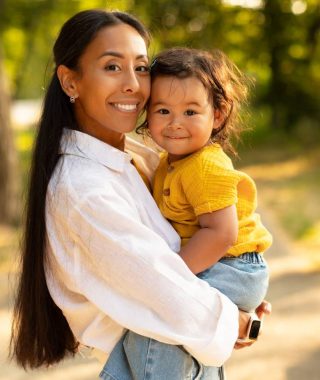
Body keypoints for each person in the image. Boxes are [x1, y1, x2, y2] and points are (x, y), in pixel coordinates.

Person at [10, 9, 270, 380]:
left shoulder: (139, 158)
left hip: (176, 345)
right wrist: (240, 322)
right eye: (112, 67)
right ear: (70, 82)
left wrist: (236, 294)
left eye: (141, 67)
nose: (133, 84)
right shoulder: (84, 188)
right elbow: (159, 286)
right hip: (160, 349)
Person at [139, 47, 273, 314]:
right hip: (216, 263)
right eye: (163, 111)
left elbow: (220, 233)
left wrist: (171, 276)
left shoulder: (204, 165)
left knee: (162, 313)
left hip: (233, 267)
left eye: (190, 112)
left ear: (218, 115)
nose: (175, 123)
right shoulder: (169, 162)